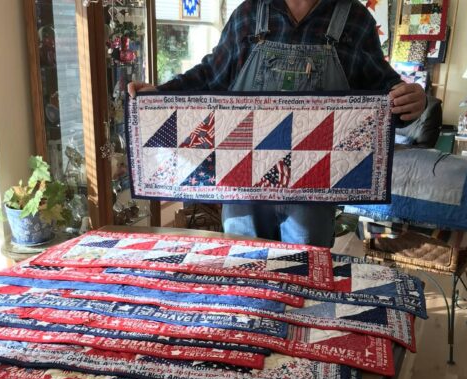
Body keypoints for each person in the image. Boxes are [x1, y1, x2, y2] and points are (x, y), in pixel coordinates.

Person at [129, 0, 426, 247]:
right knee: (245, 279)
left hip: (315, 191)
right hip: (243, 188)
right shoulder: (248, 13)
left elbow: (384, 93)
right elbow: (210, 76)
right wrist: (160, 94)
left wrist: (410, 100)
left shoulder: (355, 19)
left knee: (303, 284)